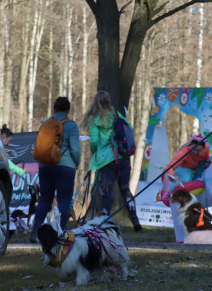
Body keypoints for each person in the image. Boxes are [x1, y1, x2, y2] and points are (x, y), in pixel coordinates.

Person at [81, 90, 142, 231]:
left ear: (96, 102)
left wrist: (93, 151)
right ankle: (135, 220)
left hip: (106, 160)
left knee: (106, 191)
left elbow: (95, 141)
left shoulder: (95, 118)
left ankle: (105, 221)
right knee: (125, 189)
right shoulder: (116, 114)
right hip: (123, 157)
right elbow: (130, 128)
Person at [29, 97, 81, 241]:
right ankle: (59, 234)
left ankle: (35, 233)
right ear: (68, 110)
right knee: (64, 200)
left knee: (45, 199)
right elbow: (75, 149)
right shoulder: (71, 125)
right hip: (65, 167)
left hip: (45, 166)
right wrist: (77, 163)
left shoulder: (45, 124)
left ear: (54, 109)